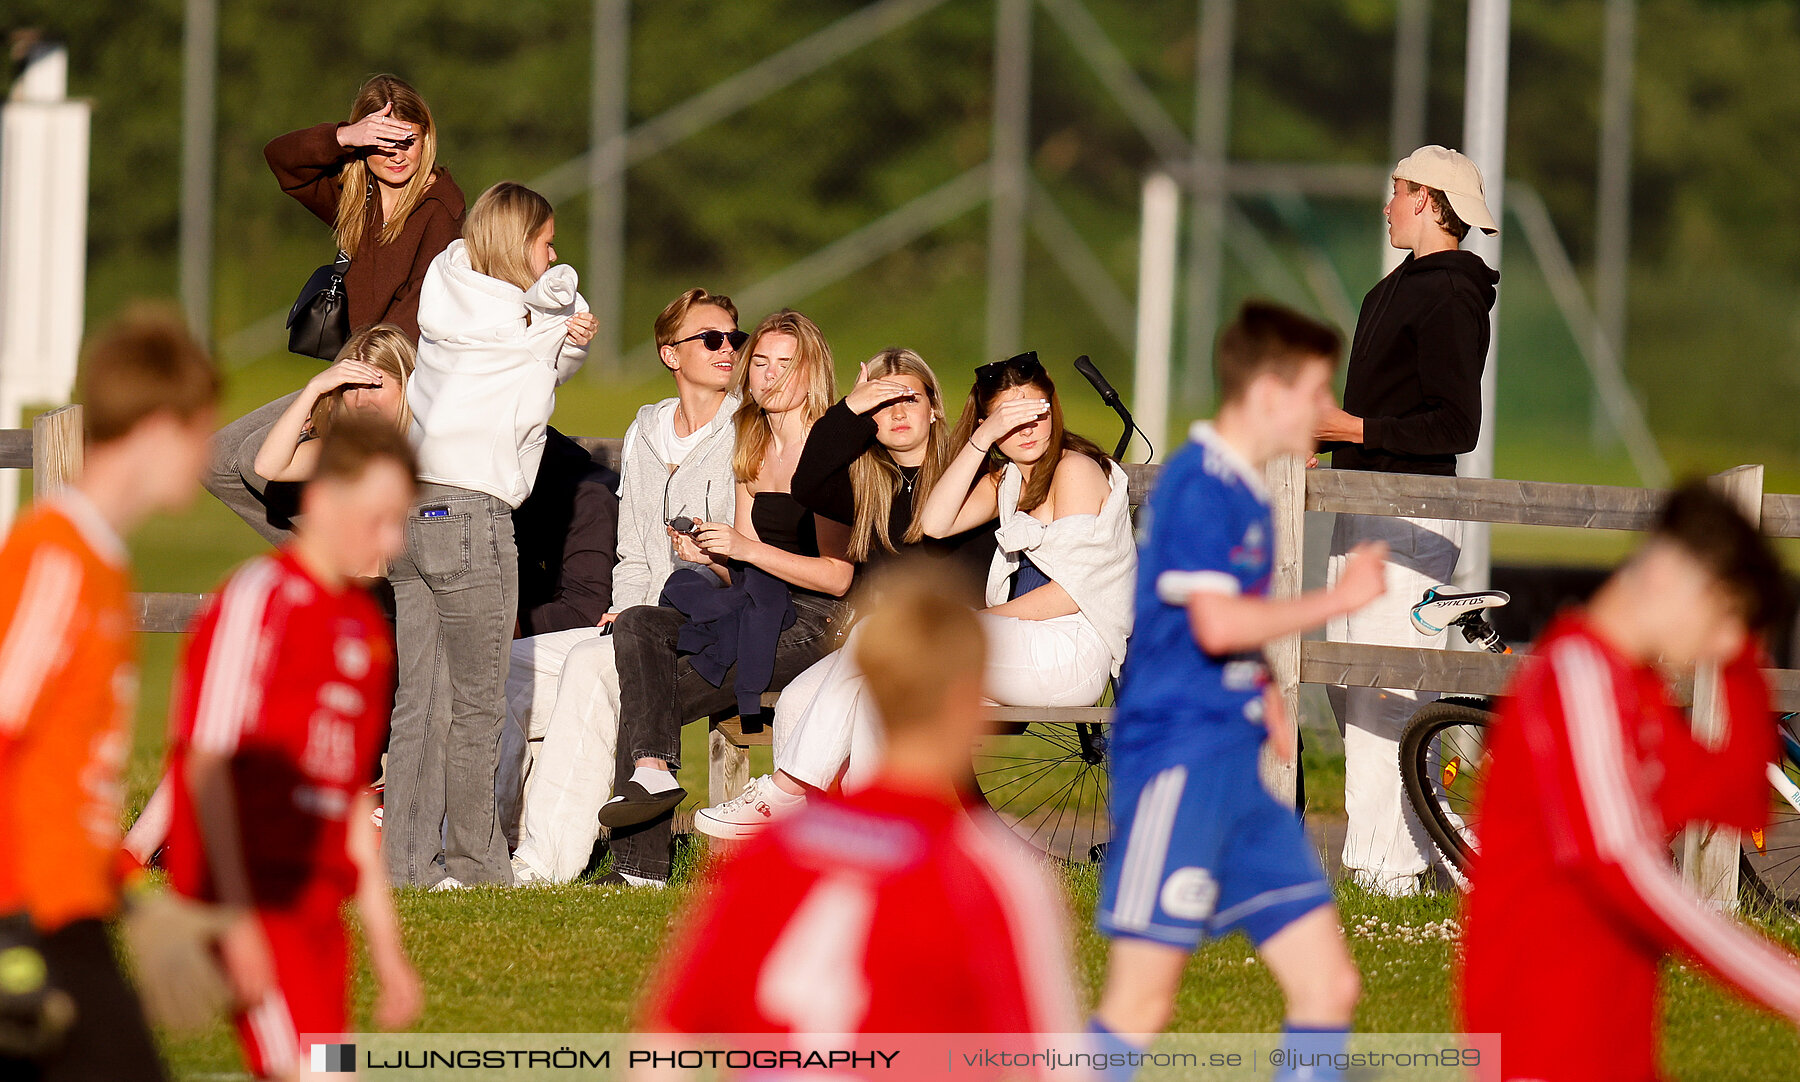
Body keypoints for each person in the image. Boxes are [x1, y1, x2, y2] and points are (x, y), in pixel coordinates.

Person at [1090, 302, 1388, 1082]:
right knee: (1140, 1008)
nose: (1331, 414)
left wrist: (1268, 698)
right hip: (1177, 762)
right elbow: (1216, 622)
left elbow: (1227, 634)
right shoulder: (1199, 483)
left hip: (1239, 773)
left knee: (1328, 986)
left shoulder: (1250, 490)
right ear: (1266, 393)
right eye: (1319, 393)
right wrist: (1340, 599)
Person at [643, 561, 1079, 1046]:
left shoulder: (768, 855)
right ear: (971, 701)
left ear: (863, 678)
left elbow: (666, 1041)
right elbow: (1040, 1057)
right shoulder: (992, 874)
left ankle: (787, 788)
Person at [1461, 481, 1800, 1082]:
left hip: (1612, 1047)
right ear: (1673, 577)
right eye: (1725, 615)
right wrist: (1785, 984)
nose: (1723, 642)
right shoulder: (1574, 677)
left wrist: (1742, 652)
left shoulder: (1636, 694)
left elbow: (1736, 797)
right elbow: (1622, 866)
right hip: (1544, 1047)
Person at [161, 420, 424, 1081]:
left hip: (316, 910)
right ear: (327, 500)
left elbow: (351, 810)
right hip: (251, 893)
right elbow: (206, 760)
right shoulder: (261, 598)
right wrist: (236, 917)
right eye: (380, 519)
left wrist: (389, 954)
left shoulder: (364, 629)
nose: (393, 542)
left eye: (402, 522)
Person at [0, 310, 220, 1082]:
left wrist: (135, 896)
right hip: (33, 920)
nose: (204, 455)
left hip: (75, 909)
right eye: (200, 431)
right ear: (158, 427)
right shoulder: (55, 557)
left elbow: (65, 780)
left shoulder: (99, 562)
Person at [382, 181, 596, 889]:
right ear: (519, 246)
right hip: (473, 518)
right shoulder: (526, 326)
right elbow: (556, 336)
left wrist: (558, 329)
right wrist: (566, 313)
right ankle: (477, 866)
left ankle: (407, 864)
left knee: (420, 700)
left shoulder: (449, 298)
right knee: (477, 705)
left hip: (409, 513)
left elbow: (543, 353)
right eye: (545, 240)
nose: (554, 253)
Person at [597, 309, 853, 889]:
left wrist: (744, 549)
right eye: (760, 361)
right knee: (639, 625)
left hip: (818, 620)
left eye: (787, 364)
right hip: (755, 603)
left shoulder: (828, 453)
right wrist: (710, 554)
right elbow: (745, 562)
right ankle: (653, 773)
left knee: (650, 690)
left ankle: (640, 866)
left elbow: (837, 577)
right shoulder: (752, 443)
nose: (770, 375)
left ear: (814, 372)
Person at [692, 348, 992, 837]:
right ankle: (819, 834)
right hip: (877, 643)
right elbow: (808, 483)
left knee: (873, 659)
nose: (895, 413)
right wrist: (849, 409)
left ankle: (800, 799)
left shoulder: (968, 475)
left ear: (935, 406)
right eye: (881, 403)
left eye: (908, 399)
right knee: (795, 700)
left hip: (949, 642)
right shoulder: (867, 485)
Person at [505, 288, 740, 884]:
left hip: (705, 623)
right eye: (710, 339)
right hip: (634, 620)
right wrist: (625, 611)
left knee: (588, 673)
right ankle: (490, 842)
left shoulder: (749, 432)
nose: (727, 349)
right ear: (671, 354)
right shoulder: (647, 430)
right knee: (513, 668)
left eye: (734, 338)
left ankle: (545, 864)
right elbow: (634, 549)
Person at [1315, 144, 1501, 896]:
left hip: (1413, 517)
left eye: (1395, 191)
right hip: (1359, 512)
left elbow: (1455, 427)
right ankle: (1396, 858)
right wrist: (1326, 442)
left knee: (1386, 692)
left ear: (1427, 199)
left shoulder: (1451, 293)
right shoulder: (1390, 291)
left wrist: (1349, 429)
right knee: (1348, 686)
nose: (1386, 204)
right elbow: (1381, 418)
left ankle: (1389, 871)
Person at [209, 74, 464, 545]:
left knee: (251, 459)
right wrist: (343, 137)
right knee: (216, 460)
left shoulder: (442, 210)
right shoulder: (356, 197)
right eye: (381, 142)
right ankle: (333, 561)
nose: (396, 155)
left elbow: (410, 325)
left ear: (426, 138)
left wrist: (332, 401)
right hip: (347, 375)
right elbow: (281, 160)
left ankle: (348, 567)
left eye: (406, 141)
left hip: (392, 384)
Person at [493, 425, 619, 845]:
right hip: (536, 648)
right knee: (486, 682)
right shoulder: (499, 492)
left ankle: (491, 838)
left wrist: (501, 624)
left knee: (493, 687)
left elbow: (585, 609)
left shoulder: (586, 498)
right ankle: (500, 838)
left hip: (599, 644)